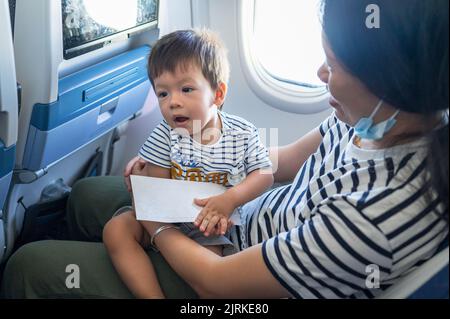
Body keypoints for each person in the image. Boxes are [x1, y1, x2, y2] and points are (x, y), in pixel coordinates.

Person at [1, 0, 448, 299]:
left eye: (333, 65)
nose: (320, 73)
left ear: (391, 79)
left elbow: (217, 284)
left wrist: (157, 226)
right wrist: (208, 167)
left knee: (29, 266)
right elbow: (284, 162)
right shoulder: (370, 116)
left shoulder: (378, 220)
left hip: (229, 275)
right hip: (243, 215)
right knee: (87, 196)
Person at [102, 29, 274, 299]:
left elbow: (264, 176)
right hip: (171, 217)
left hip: (210, 226)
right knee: (116, 230)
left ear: (217, 94)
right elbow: (159, 188)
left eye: (186, 89)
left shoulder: (242, 134)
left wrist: (230, 200)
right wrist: (143, 181)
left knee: (214, 279)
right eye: (163, 94)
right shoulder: (164, 134)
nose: (173, 102)